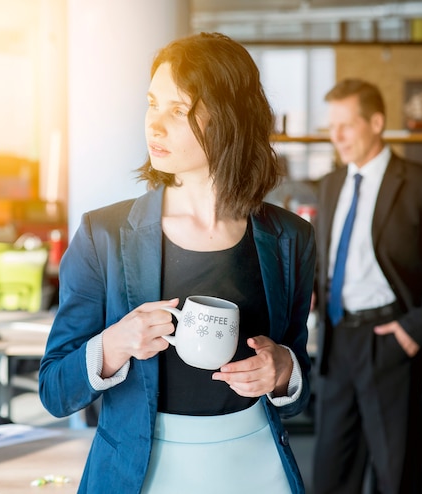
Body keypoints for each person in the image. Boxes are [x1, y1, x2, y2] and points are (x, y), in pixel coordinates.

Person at [38, 32, 316, 493]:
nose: (155, 125)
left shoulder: (290, 237)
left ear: (227, 120)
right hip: (140, 471)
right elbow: (54, 390)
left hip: (253, 463)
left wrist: (283, 370)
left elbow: (295, 378)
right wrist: (114, 344)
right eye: (152, 104)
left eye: (179, 110)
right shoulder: (102, 235)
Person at [312, 79, 422, 494]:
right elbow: (326, 261)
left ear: (376, 122)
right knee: (329, 475)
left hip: (392, 342)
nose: (335, 135)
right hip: (337, 343)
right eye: (331, 126)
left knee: (395, 477)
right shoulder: (330, 185)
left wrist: (414, 331)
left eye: (346, 124)